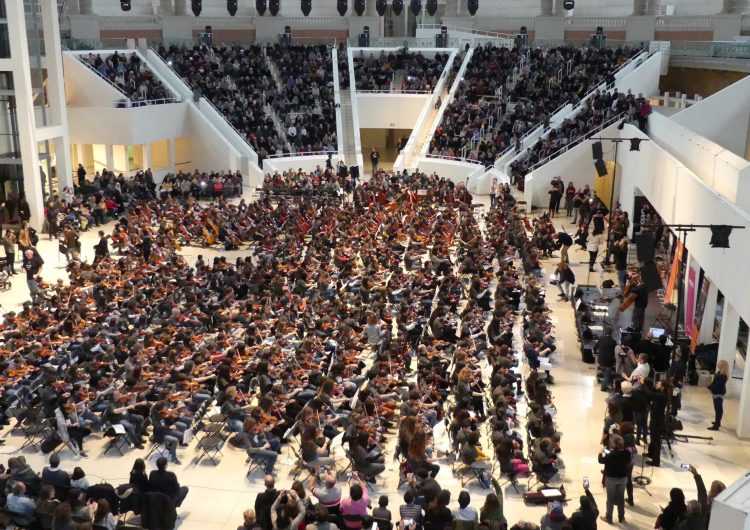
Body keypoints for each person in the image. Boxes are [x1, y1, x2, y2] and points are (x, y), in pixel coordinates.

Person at [598, 434, 629, 524]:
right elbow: (626, 461)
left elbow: (600, 460)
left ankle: (609, 517)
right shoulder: (626, 453)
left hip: (611, 479)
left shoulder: (610, 455)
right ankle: (621, 517)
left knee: (610, 499)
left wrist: (601, 452)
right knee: (621, 498)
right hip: (623, 478)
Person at [676, 465, 708, 530]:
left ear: (689, 511)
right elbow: (702, 492)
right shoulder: (703, 514)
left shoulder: (685, 524)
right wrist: (696, 474)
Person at [707, 360, 728, 431]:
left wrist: (711, 388)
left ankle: (716, 425)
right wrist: (710, 387)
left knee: (718, 410)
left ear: (722, 366)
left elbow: (717, 385)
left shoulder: (722, 376)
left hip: (718, 394)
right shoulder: (719, 373)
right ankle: (717, 422)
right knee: (717, 409)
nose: (717, 364)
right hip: (717, 393)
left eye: (719, 364)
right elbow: (715, 382)